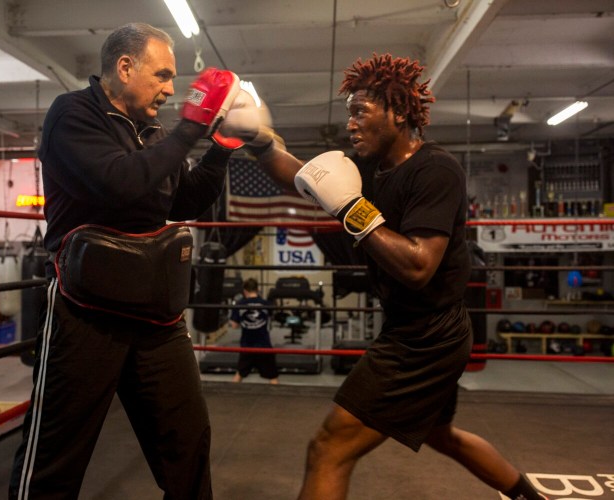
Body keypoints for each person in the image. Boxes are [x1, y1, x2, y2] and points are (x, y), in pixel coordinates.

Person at [218, 53, 546, 499]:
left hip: (427, 337)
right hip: (416, 327)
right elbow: (302, 176)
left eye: (360, 112)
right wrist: (259, 139)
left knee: (329, 446)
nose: (350, 124)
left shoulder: (435, 170)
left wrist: (352, 208)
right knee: (439, 433)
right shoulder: (370, 166)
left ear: (397, 112)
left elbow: (417, 265)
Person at [9, 22, 242, 499]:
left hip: (157, 315)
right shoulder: (72, 114)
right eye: (162, 75)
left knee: (189, 446)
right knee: (55, 460)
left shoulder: (154, 132)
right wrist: (192, 128)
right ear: (124, 66)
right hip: (86, 312)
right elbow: (119, 182)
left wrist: (220, 148)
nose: (170, 88)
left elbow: (183, 200)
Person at [229, 277, 279, 384]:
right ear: (257, 289)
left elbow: (234, 325)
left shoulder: (240, 304)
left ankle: (231, 396)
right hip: (264, 345)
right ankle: (278, 399)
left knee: (239, 374)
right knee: (273, 377)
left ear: (245, 291)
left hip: (247, 345)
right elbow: (273, 316)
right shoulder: (265, 303)